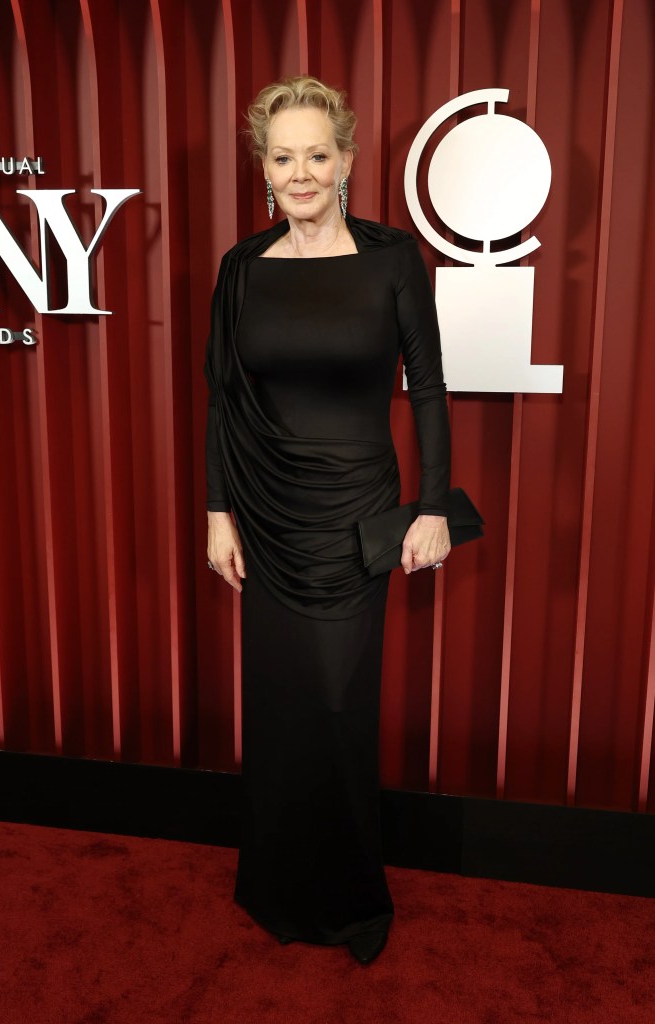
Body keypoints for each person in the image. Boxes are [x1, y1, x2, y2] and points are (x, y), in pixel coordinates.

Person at [204, 76, 451, 965]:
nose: (300, 172)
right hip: (266, 513)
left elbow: (425, 385)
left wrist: (431, 509)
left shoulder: (391, 262)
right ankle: (275, 885)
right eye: (282, 157)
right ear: (262, 170)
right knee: (279, 706)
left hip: (355, 517)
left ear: (345, 160)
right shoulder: (241, 269)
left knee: (340, 702)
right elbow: (223, 401)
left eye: (317, 154)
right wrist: (217, 511)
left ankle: (347, 898)